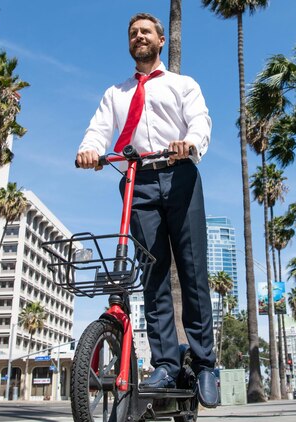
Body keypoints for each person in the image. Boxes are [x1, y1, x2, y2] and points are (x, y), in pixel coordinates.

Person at [76, 12, 218, 408]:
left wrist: (188, 143)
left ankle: (205, 363)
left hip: (180, 175)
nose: (139, 36)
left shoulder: (182, 84)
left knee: (191, 271)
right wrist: (89, 149)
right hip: (137, 182)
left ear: (160, 41)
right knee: (153, 275)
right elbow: (99, 129)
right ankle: (166, 364)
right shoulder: (116, 93)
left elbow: (200, 121)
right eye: (132, 33)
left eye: (146, 32)